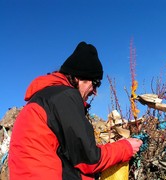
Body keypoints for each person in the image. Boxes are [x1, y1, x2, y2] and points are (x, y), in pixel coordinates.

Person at [8, 41, 142, 180]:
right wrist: (126, 147)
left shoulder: (44, 99)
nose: (95, 92)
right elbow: (89, 159)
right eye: (95, 83)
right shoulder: (64, 96)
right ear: (78, 77)